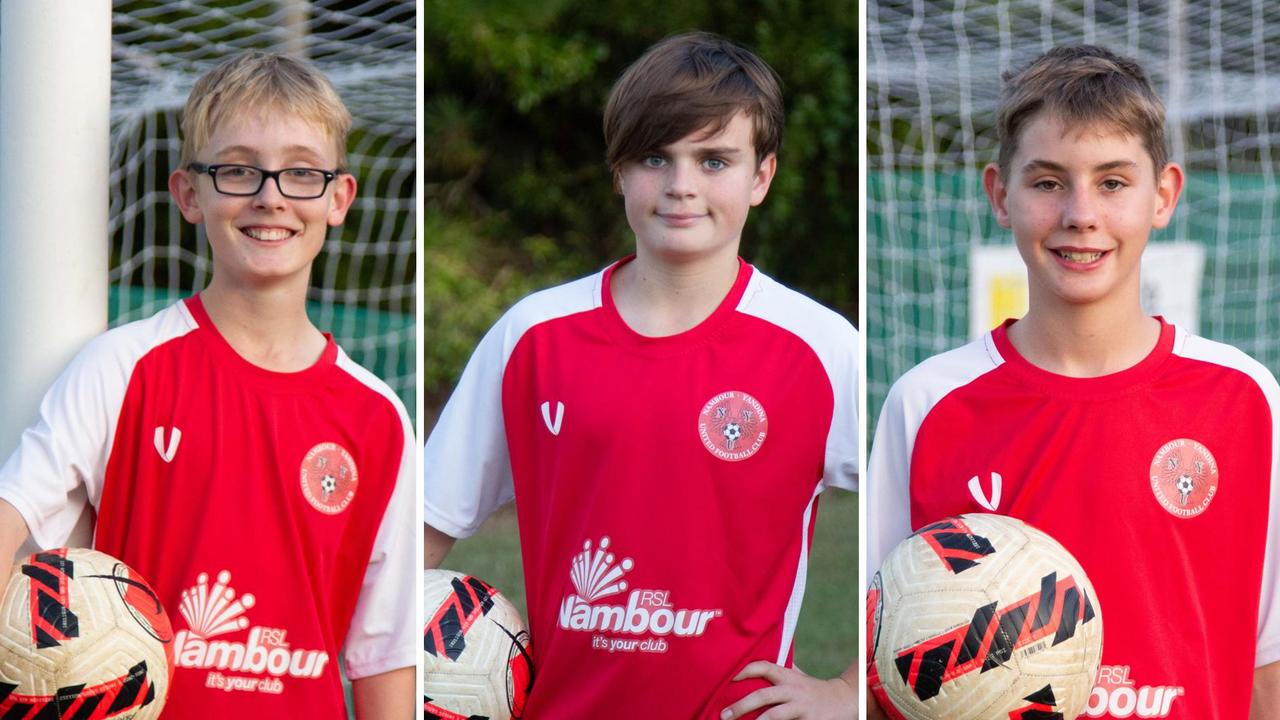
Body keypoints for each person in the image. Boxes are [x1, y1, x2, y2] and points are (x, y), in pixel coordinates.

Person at [424, 32, 859, 719]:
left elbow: (916, 520)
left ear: (762, 176)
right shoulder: (534, 336)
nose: (682, 185)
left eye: (714, 160)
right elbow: (423, 526)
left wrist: (850, 688)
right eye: (656, 158)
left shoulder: (820, 348)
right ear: (620, 173)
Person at [865, 44, 1280, 719]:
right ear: (1001, 194)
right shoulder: (928, 403)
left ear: (1164, 195)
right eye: (1048, 182)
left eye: (1113, 182)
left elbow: (1268, 669)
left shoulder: (1243, 399)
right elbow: (881, 659)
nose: (1080, 214)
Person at [0, 52, 415, 718]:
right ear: (189, 193)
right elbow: (9, 520)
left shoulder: (379, 418)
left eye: (301, 173)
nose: (270, 195)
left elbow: (386, 656)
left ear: (339, 198)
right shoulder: (122, 368)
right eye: (238, 169)